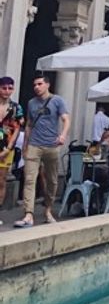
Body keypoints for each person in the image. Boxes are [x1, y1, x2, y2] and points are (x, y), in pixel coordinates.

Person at [15, 73, 70, 228]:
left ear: (47, 85)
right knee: (29, 180)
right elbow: (28, 125)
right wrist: (25, 146)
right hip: (34, 145)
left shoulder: (57, 100)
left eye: (39, 84)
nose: (36, 87)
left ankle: (48, 209)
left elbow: (66, 119)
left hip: (51, 145)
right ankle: (28, 214)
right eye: (34, 85)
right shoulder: (32, 103)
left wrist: (63, 135)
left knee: (52, 181)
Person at [0, 75, 25, 222]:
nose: (7, 91)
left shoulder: (16, 107)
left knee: (1, 180)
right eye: (4, 88)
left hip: (6, 146)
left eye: (10, 88)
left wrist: (8, 148)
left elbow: (17, 128)